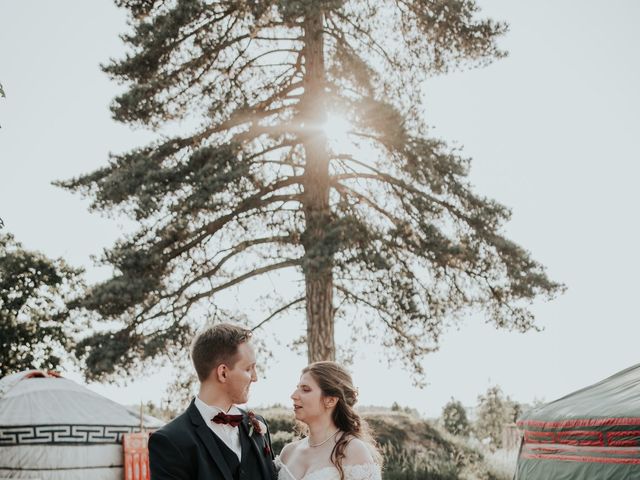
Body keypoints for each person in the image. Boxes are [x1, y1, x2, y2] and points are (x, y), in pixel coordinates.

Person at [149, 323, 277, 480]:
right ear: (223, 373)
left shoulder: (257, 424)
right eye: (248, 369)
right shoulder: (170, 441)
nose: (255, 377)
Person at [277, 361, 382, 480]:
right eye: (297, 388)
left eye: (305, 389)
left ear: (330, 400)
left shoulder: (353, 450)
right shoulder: (288, 453)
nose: (293, 395)